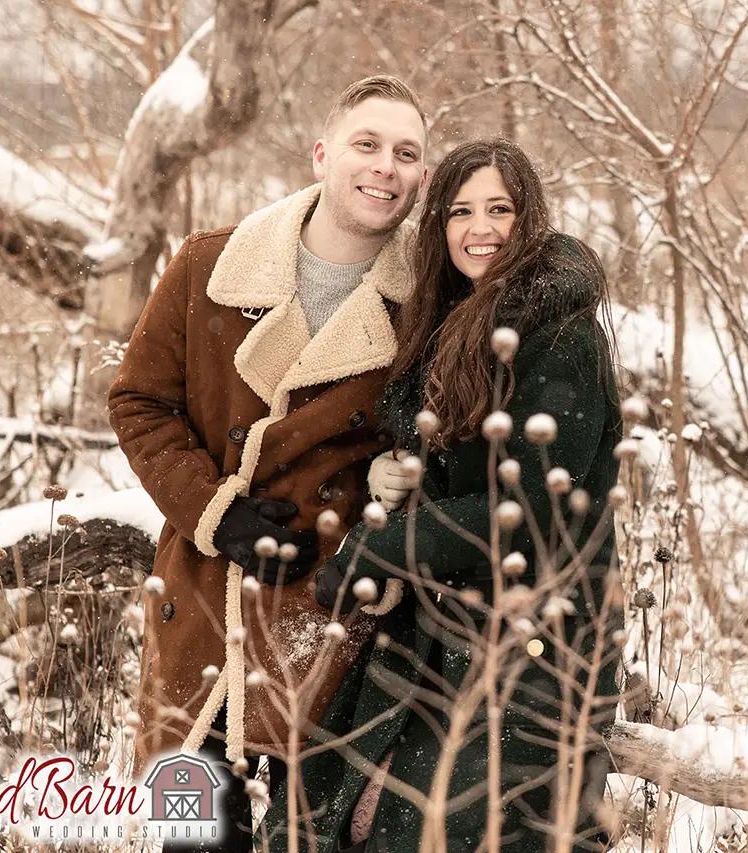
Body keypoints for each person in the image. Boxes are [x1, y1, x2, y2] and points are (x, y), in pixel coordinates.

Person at [266, 138, 623, 853]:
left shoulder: (558, 334)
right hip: (441, 622)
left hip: (534, 636)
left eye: (499, 208)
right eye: (460, 211)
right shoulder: (455, 318)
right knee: (329, 810)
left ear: (530, 218)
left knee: (453, 827)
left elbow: (535, 509)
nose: (479, 228)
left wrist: (386, 544)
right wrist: (396, 475)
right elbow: (460, 459)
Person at [107, 75, 428, 850]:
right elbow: (139, 403)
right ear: (322, 155)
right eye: (367, 144)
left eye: (407, 153)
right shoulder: (208, 267)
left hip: (330, 623)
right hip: (202, 603)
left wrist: (404, 472)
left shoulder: (428, 302)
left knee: (310, 839)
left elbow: (451, 426)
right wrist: (216, 510)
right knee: (193, 835)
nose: (387, 166)